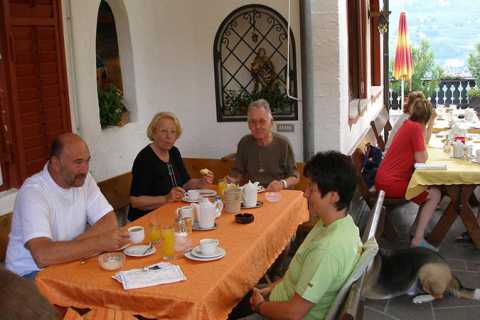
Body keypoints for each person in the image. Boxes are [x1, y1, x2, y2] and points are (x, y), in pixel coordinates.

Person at [239, 151, 362, 320]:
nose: (305, 194)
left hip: (285, 313)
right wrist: (271, 288)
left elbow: (293, 313)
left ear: (333, 196)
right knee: (231, 296)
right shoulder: (342, 223)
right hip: (281, 296)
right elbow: (298, 276)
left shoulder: (327, 250)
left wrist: (261, 306)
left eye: (312, 189)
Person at [5, 133, 130, 278]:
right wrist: (98, 243)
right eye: (78, 162)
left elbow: (109, 222)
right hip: (29, 275)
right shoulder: (33, 192)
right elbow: (43, 256)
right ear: (56, 163)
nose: (85, 169)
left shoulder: (83, 179)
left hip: (68, 262)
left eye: (87, 161)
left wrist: (72, 248)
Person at [375, 98, 441, 249]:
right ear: (427, 116)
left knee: (431, 188)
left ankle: (415, 231)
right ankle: (417, 239)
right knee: (435, 194)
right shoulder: (416, 129)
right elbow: (422, 160)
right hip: (390, 183)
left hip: (385, 178)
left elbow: (423, 148)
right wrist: (430, 124)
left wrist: (428, 125)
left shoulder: (409, 125)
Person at [129, 112, 213, 221]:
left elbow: (185, 183)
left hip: (173, 212)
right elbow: (135, 201)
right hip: (148, 220)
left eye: (173, 132)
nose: (169, 136)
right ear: (154, 133)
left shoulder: (174, 152)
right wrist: (165, 199)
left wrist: (201, 182)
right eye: (163, 131)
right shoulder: (145, 159)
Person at [227, 99, 299, 191]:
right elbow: (237, 172)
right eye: (253, 122)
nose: (257, 126)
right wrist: (231, 180)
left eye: (262, 121)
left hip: (279, 195)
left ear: (271, 123)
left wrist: (282, 184)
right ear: (248, 125)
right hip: (252, 195)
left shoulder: (283, 143)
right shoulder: (244, 143)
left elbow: (295, 176)